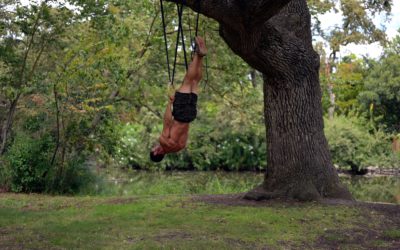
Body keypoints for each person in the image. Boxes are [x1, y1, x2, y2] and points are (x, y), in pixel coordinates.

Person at [150, 36, 207, 162]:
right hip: (180, 114)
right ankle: (199, 55)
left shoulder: (178, 148)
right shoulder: (163, 141)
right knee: (188, 81)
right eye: (153, 148)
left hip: (189, 117)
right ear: (156, 152)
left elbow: (185, 133)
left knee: (195, 82)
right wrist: (170, 103)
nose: (155, 146)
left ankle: (200, 55)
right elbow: (167, 121)